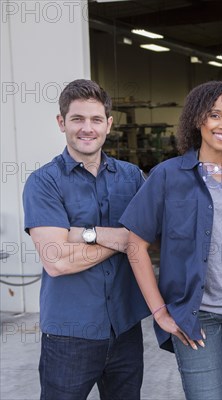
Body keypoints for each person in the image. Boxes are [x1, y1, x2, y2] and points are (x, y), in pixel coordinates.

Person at [119, 81, 222, 400]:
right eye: (215, 114)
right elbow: (134, 244)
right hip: (196, 314)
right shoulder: (168, 176)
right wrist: (161, 312)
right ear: (197, 119)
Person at [22, 79, 148, 399]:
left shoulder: (132, 177)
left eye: (95, 119)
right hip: (69, 335)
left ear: (108, 124)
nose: (87, 128)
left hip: (125, 329)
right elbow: (58, 260)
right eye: (77, 119)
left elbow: (151, 237)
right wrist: (123, 238)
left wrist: (82, 234)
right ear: (62, 122)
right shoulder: (43, 183)